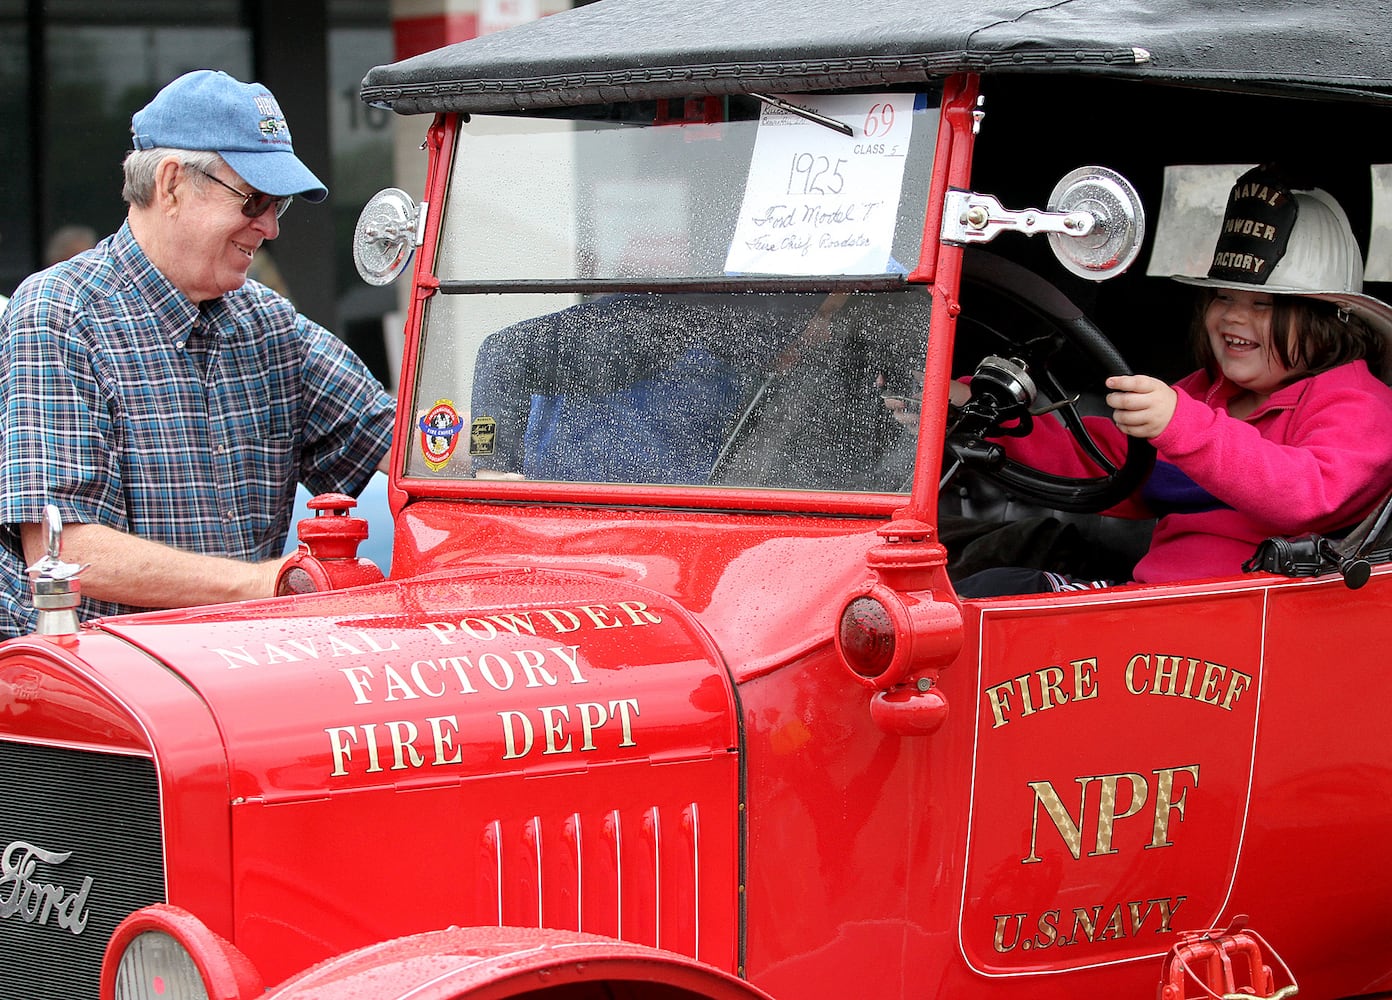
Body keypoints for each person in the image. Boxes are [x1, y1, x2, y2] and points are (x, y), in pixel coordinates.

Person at [0, 69, 395, 637]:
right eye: (254, 199)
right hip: (104, 699)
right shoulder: (59, 313)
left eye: (278, 205)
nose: (269, 227)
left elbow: (407, 445)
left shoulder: (270, 324)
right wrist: (267, 586)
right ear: (171, 185)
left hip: (238, 677)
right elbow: (63, 551)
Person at [953, 164, 1392, 595]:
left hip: (1250, 627)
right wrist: (972, 415)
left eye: (1264, 304)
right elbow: (1109, 462)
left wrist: (1182, 426)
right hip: (1157, 605)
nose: (1234, 315)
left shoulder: (1358, 403)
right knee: (991, 588)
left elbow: (1310, 495)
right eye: (1222, 296)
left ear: (1329, 322)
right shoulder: (1205, 393)